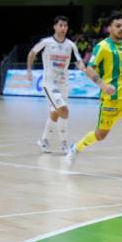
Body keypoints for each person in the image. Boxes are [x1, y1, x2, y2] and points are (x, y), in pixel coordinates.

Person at [64, 13, 122, 194]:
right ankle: (75, 148)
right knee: (101, 135)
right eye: (118, 26)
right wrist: (103, 85)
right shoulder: (102, 47)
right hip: (110, 99)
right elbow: (89, 69)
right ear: (109, 28)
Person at [27, 15, 84, 154]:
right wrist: (29, 70)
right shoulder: (46, 42)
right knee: (64, 110)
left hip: (64, 84)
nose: (63, 28)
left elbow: (79, 62)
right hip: (49, 83)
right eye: (61, 25)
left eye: (65, 26)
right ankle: (64, 144)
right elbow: (32, 53)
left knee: (55, 112)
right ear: (55, 27)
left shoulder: (71, 45)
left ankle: (44, 141)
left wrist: (85, 69)